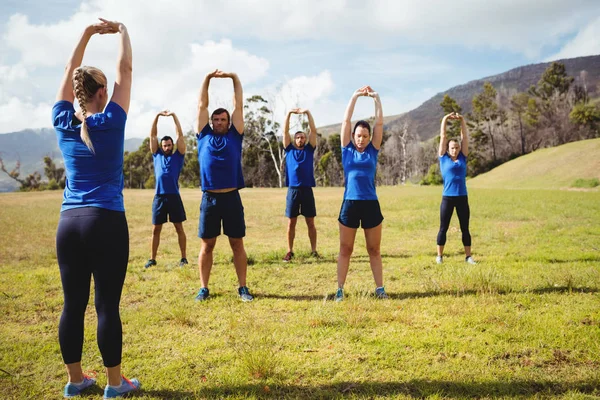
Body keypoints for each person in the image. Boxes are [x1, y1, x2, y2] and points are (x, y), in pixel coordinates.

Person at [52, 19, 140, 398]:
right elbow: (127, 70)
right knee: (107, 306)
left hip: (69, 223)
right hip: (105, 221)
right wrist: (121, 31)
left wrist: (86, 34)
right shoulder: (113, 120)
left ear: (76, 91)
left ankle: (75, 381)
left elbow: (67, 72)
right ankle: (115, 385)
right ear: (103, 91)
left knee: (73, 305)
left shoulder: (61, 120)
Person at [194, 69, 253, 302]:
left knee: (237, 244)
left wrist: (234, 78)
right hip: (209, 199)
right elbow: (201, 105)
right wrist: (207, 78)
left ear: (229, 123)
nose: (218, 122)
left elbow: (239, 105)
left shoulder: (234, 135)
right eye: (215, 120)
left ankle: (243, 287)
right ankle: (204, 288)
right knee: (207, 245)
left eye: (222, 120)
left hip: (231, 198)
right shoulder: (203, 134)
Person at [335, 86, 387, 302]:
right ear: (353, 136)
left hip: (370, 204)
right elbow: (346, 122)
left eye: (365, 136)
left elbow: (380, 124)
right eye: (359, 135)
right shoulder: (346, 148)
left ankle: (380, 289)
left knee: (374, 249)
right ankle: (340, 290)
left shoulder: (373, 150)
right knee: (346, 248)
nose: (362, 139)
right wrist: (355, 96)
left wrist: (376, 98)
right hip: (350, 204)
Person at [144, 110, 188, 269]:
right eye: (165, 145)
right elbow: (153, 135)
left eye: (169, 145)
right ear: (161, 147)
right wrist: (156, 116)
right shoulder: (156, 155)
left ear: (172, 145)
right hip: (159, 197)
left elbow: (180, 136)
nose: (167, 147)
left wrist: (174, 116)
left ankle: (183, 258)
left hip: (174, 197)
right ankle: (152, 258)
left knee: (179, 228)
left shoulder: (178, 155)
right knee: (156, 229)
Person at [436, 112, 477, 265]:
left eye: (457, 147)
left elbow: (465, 137)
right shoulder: (443, 157)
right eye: (452, 148)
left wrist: (462, 120)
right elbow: (443, 135)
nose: (455, 150)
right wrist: (445, 118)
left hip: (462, 197)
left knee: (465, 228)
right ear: (448, 148)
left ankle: (468, 256)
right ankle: (439, 256)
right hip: (447, 197)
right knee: (443, 228)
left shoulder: (462, 157)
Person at [281, 108, 319, 262]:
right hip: (293, 191)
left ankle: (314, 250)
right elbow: (284, 132)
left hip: (307, 190)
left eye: (303, 137)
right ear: (294, 140)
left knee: (311, 222)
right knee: (291, 222)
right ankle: (290, 251)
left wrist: (308, 113)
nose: (300, 139)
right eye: (297, 137)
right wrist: (289, 113)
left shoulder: (309, 150)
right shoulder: (289, 150)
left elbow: (314, 131)